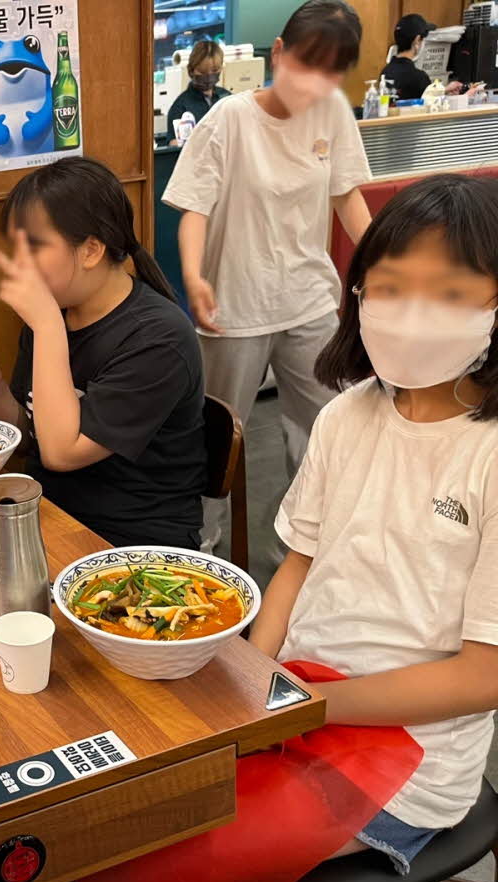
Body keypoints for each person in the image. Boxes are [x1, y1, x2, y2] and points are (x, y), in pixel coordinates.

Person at [251, 173, 498, 874]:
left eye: (450, 293)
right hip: (296, 701)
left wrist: (305, 707)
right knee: (122, 814)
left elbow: (485, 674)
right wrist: (254, 684)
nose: (414, 315)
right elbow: (298, 564)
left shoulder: (488, 452)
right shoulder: (345, 414)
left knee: (176, 860)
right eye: (390, 288)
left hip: (408, 759)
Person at [162, 0, 374, 558]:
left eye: (330, 73)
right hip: (234, 303)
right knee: (217, 436)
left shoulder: (333, 113)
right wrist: (194, 277)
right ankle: (202, 549)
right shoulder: (229, 118)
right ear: (278, 53)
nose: (314, 84)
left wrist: (382, 261)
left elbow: (347, 194)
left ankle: (305, 552)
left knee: (324, 429)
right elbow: (194, 208)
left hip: (309, 299)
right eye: (305, 65)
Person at [0, 156, 206, 549]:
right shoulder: (55, 314)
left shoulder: (158, 338)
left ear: (90, 250)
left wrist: (47, 327)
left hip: (134, 540)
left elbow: (60, 453)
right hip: (51, 516)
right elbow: (32, 437)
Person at [166, 40, 232, 146]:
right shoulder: (181, 106)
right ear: (191, 71)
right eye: (202, 72)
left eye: (214, 71)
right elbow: (173, 143)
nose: (209, 76)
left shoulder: (227, 99)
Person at [381, 14, 435, 101]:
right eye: (423, 39)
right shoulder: (419, 78)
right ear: (417, 40)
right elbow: (432, 103)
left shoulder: (385, 72)